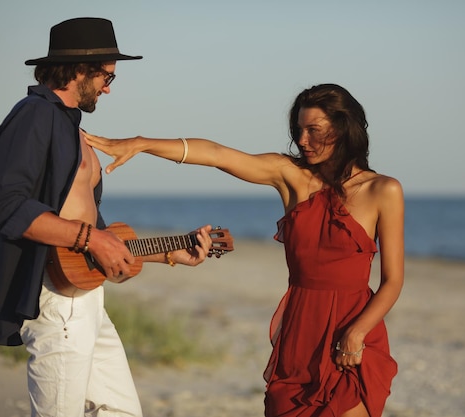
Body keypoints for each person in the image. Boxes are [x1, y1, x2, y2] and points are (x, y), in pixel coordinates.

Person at [86, 83, 404, 417]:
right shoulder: (291, 176)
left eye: (314, 130)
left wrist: (357, 333)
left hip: (354, 330)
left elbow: (393, 280)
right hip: (300, 332)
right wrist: (142, 144)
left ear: (342, 129)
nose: (302, 141)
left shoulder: (383, 190)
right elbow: (216, 155)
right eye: (299, 131)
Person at [0, 17, 213, 417]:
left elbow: (101, 236)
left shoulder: (74, 130)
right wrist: (90, 240)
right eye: (107, 76)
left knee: (120, 411)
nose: (108, 87)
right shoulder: (34, 115)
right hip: (56, 300)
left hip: (87, 296)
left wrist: (172, 252)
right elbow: (5, 205)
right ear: (78, 71)